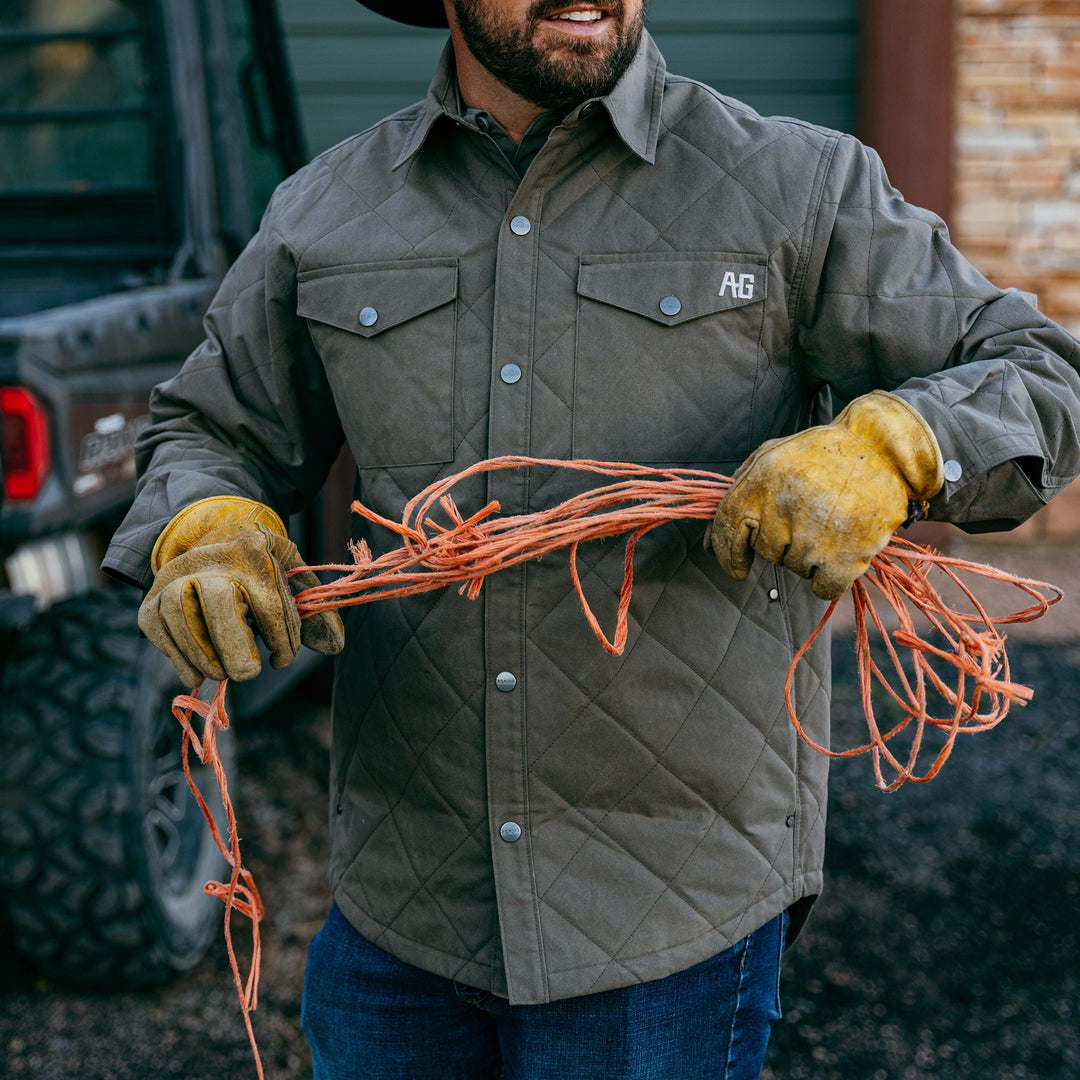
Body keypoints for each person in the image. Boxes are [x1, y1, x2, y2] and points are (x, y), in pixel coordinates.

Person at [103, 2, 1080, 1077]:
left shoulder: (796, 184)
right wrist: (209, 525)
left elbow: (1040, 372)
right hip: (402, 912)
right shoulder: (328, 210)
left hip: (666, 920)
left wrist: (894, 447)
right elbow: (208, 428)